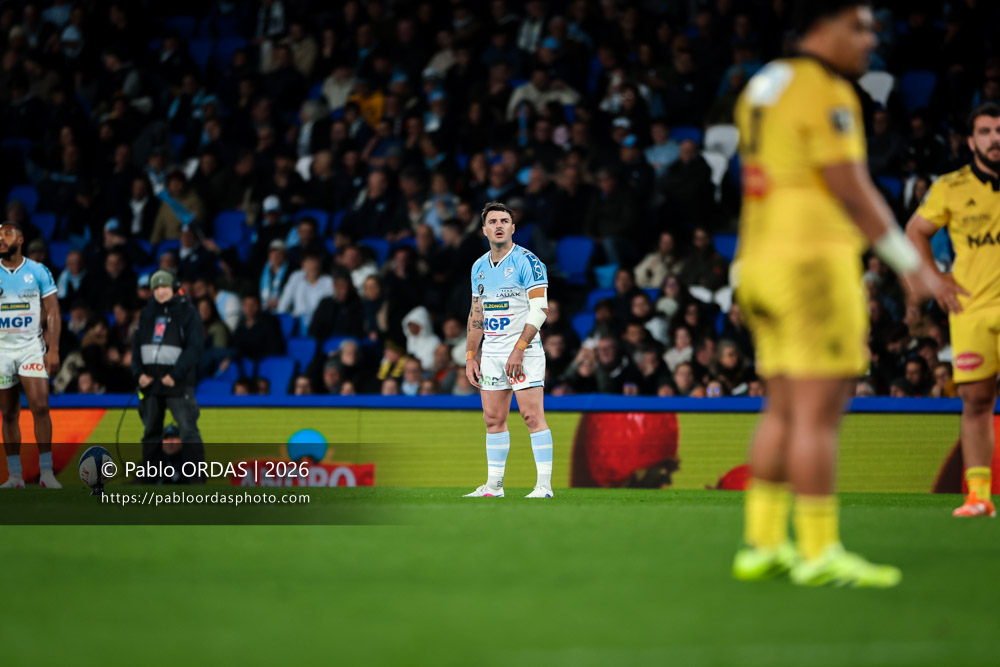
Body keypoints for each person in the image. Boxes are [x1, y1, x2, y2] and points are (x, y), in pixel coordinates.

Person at [730, 1, 961, 588]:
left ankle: (760, 543)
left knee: (782, 407)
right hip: (811, 267)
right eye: (859, 26)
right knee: (818, 415)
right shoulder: (823, 90)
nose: (870, 39)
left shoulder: (762, 84)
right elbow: (852, 190)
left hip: (758, 260)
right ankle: (817, 551)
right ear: (822, 26)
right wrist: (915, 267)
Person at [906, 103, 1000, 517]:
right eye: (985, 132)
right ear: (970, 140)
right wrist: (933, 279)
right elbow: (915, 230)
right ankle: (979, 496)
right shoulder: (950, 186)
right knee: (976, 402)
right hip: (972, 311)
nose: (995, 139)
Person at [464, 202, 553, 499]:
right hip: (491, 353)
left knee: (531, 416)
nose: (499, 225)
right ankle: (494, 487)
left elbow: (540, 310)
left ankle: (544, 486)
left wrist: (519, 349)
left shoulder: (529, 262)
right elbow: (477, 314)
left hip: (523, 350)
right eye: (493, 221)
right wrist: (470, 356)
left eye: (505, 220)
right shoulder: (478, 267)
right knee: (493, 419)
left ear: (513, 228)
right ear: (484, 230)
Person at [0, 221, 62, 489]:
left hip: (31, 349)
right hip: (2, 351)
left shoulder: (38, 271)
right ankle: (15, 477)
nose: (1, 239)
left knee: (40, 406)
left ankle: (46, 474)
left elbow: (53, 312)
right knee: (8, 413)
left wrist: (54, 349)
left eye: (7, 234)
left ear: (21, 239)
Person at [131, 270, 204, 444]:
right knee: (150, 434)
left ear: (174, 288)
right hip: (150, 382)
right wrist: (138, 374)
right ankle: (151, 472)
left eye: (164, 286)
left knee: (188, 433)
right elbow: (136, 347)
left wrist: (175, 375)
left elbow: (194, 349)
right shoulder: (146, 313)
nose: (160, 291)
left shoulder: (188, 312)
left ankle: (194, 472)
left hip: (177, 382)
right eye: (156, 288)